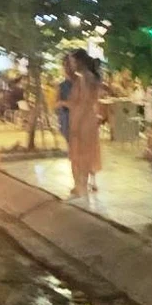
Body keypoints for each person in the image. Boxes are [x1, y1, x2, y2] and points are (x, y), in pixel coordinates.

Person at [66, 48, 102, 197]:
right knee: (87, 153)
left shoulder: (84, 79)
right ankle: (82, 185)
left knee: (80, 153)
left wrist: (76, 123)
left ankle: (80, 186)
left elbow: (84, 102)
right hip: (89, 119)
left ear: (79, 62)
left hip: (82, 119)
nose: (72, 65)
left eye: (73, 62)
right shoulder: (91, 77)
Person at [56, 56, 73, 142]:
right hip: (65, 115)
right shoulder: (61, 85)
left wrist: (63, 103)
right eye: (65, 66)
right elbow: (57, 103)